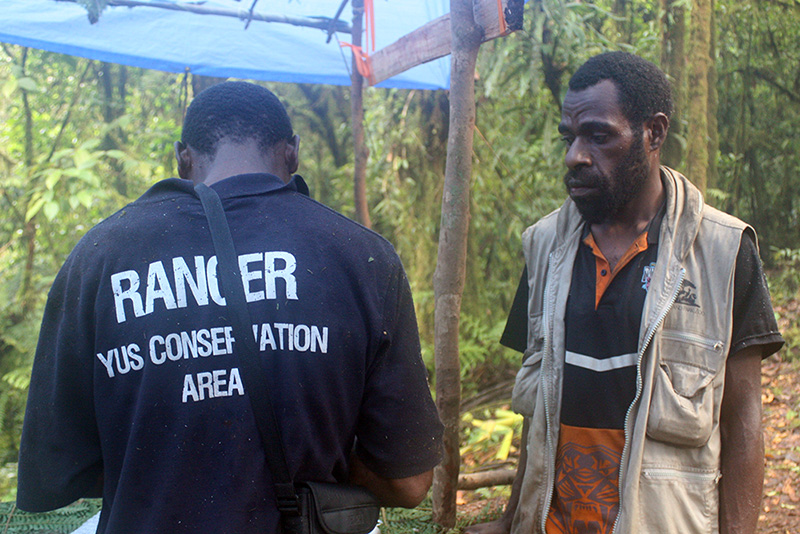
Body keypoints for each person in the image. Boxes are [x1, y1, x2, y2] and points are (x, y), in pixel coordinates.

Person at [17, 81, 443, 533]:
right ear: (293, 153)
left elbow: (58, 471)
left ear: (182, 158)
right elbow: (410, 483)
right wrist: (328, 459)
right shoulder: (363, 258)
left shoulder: (98, 258)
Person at [466, 52, 783, 534]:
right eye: (568, 137)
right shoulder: (543, 246)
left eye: (598, 135)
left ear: (653, 133)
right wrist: (510, 520)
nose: (575, 155)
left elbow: (744, 422)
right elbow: (539, 412)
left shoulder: (724, 251)